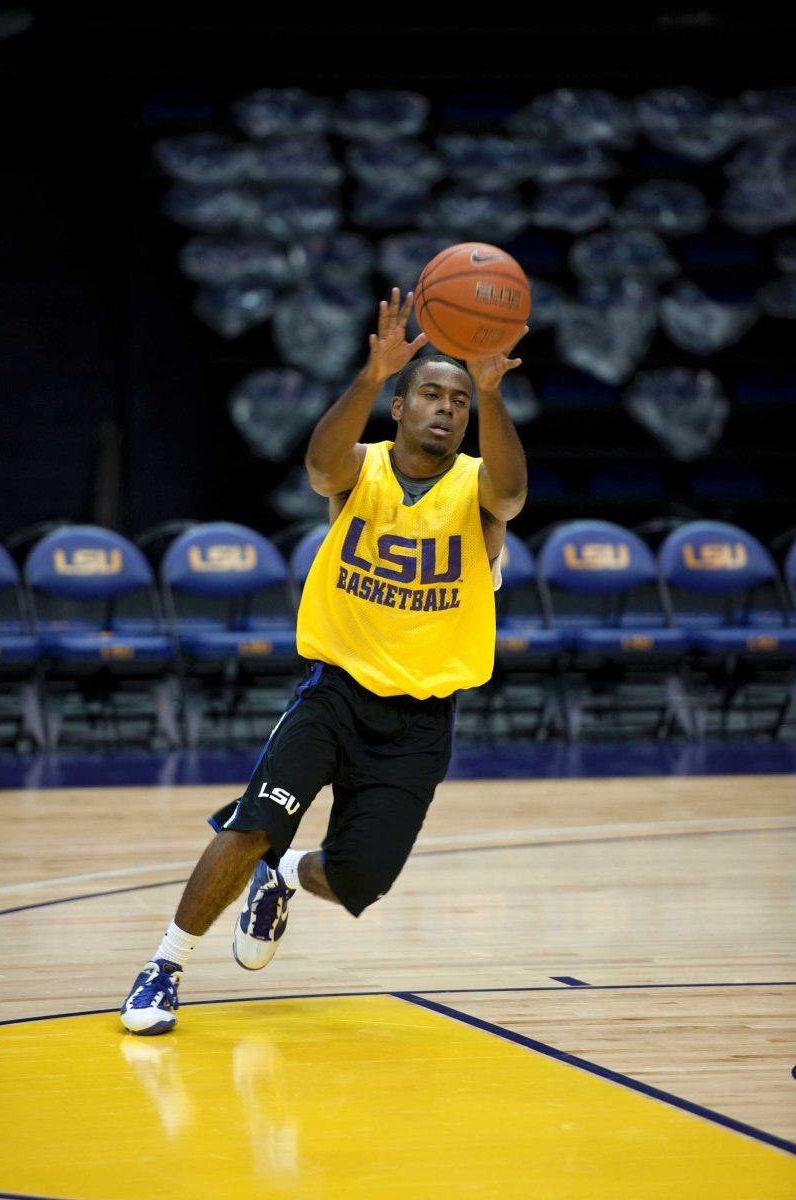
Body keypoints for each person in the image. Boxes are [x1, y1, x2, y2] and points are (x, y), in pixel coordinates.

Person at [121, 288, 528, 1034]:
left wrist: (494, 393)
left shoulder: (477, 489)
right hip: (333, 693)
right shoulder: (361, 472)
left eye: (459, 402)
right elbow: (317, 464)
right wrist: (371, 378)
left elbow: (512, 490)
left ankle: (284, 876)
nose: (446, 408)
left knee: (358, 879)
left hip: (422, 720)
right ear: (401, 408)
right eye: (430, 395)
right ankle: (165, 965)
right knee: (249, 827)